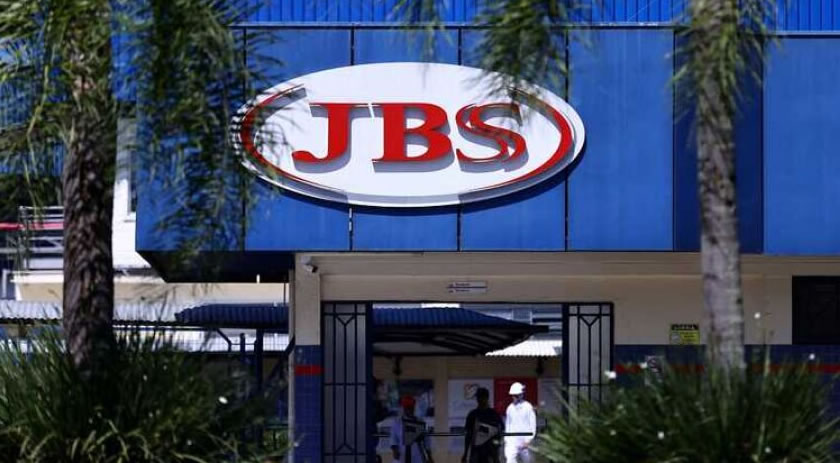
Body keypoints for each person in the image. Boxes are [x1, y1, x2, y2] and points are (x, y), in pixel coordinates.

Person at [462, 387, 503, 463]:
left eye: (481, 397)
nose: (479, 400)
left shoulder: (494, 414)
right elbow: (468, 435)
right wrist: (465, 453)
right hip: (476, 452)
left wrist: (496, 451)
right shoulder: (473, 414)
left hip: (490, 452)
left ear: (486, 398)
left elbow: (499, 434)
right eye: (478, 397)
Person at [390, 395, 434, 463]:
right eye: (407, 408)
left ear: (413, 407)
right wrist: (395, 452)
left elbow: (426, 442)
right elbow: (393, 441)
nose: (409, 410)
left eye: (411, 407)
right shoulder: (397, 423)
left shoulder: (420, 422)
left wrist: (430, 457)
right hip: (402, 458)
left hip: (418, 458)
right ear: (404, 408)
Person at [504, 382, 536, 463]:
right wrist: (507, 439)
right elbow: (508, 425)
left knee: (528, 461)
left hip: (525, 441)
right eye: (513, 395)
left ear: (521, 394)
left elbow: (533, 425)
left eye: (516, 395)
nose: (513, 397)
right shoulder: (510, 408)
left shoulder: (528, 407)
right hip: (512, 441)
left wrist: (528, 440)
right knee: (510, 460)